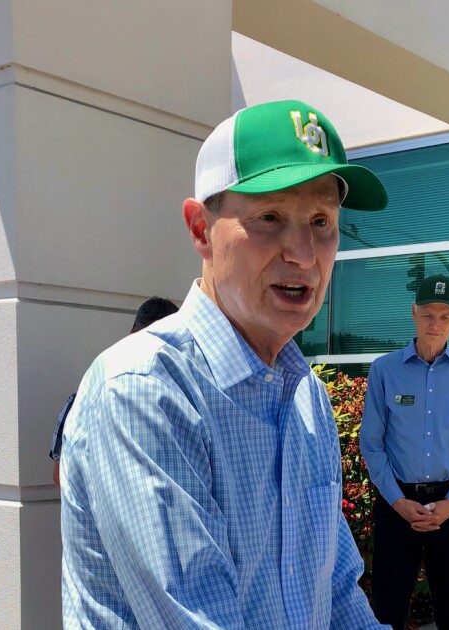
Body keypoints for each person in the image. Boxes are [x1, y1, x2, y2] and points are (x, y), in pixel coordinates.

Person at [60, 100, 390, 628]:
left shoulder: (307, 397)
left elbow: (336, 595)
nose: (304, 253)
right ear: (199, 229)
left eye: (322, 221)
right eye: (270, 218)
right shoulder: (145, 388)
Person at [359, 274, 449, 630]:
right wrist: (398, 502)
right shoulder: (384, 371)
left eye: (445, 315)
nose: (436, 324)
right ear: (414, 313)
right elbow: (371, 444)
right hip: (396, 506)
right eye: (428, 314)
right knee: (387, 610)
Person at [49, 296, 179, 486]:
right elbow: (60, 475)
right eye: (153, 343)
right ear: (133, 336)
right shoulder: (84, 402)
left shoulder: (186, 405)